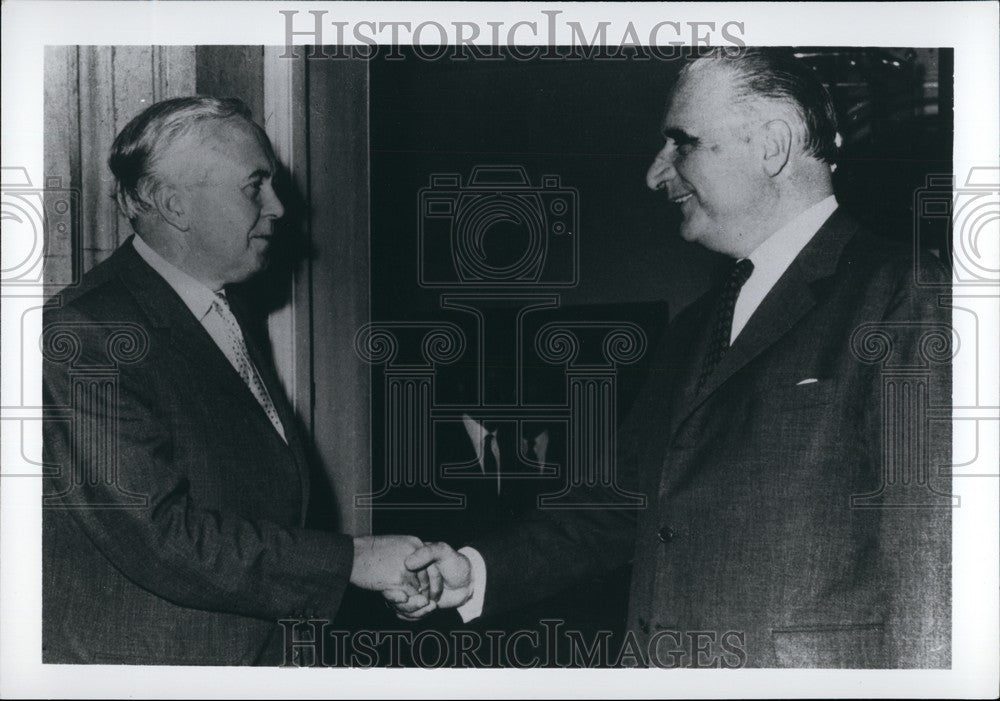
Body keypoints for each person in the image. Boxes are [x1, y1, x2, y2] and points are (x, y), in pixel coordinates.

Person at [390, 49, 952, 668]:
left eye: (681, 144)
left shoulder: (905, 293)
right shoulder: (695, 328)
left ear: (772, 145)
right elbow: (622, 502)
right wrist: (475, 570)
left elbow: (935, 557)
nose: (656, 174)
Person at [41, 96, 430, 665]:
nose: (277, 206)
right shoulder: (83, 333)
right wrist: (354, 561)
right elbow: (160, 538)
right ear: (175, 204)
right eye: (255, 186)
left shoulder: (226, 305)